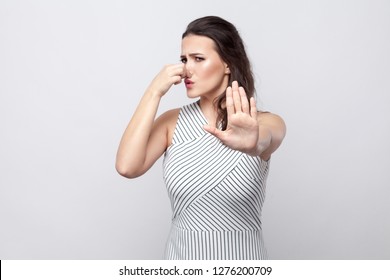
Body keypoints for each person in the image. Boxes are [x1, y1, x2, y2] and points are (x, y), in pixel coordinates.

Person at [116, 16, 286, 260]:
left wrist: (253, 144)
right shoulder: (171, 122)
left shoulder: (263, 123)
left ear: (227, 63)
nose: (187, 69)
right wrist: (154, 92)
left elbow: (266, 140)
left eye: (198, 59)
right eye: (184, 59)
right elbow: (126, 166)